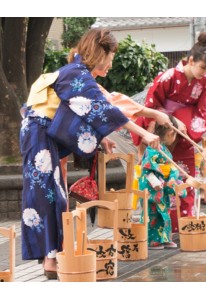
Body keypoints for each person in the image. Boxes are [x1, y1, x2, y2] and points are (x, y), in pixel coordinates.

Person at [19, 28, 168, 279]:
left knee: (52, 193)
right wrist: (142, 133)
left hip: (41, 133)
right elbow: (102, 109)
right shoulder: (76, 74)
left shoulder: (77, 74)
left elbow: (89, 111)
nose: (111, 63)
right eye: (110, 56)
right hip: (39, 133)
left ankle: (51, 256)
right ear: (100, 52)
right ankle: (50, 257)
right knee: (49, 194)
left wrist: (103, 137)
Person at [132, 32, 206, 233]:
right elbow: (151, 105)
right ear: (190, 60)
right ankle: (164, 224)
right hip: (162, 128)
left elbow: (201, 111)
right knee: (161, 175)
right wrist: (173, 119)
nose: (204, 74)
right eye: (202, 68)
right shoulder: (168, 76)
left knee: (187, 174)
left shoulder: (204, 83)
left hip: (184, 131)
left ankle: (188, 219)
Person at [138, 115, 186, 249]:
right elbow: (147, 168)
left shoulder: (163, 149)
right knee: (153, 213)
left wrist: (171, 178)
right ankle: (151, 241)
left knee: (165, 213)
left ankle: (164, 238)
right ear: (171, 132)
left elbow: (171, 167)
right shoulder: (151, 149)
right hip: (152, 187)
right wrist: (156, 182)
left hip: (163, 186)